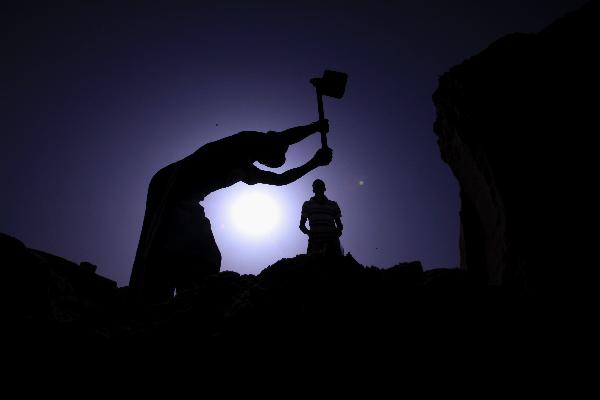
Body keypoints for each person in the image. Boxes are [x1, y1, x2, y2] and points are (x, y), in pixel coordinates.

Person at [130, 120, 332, 303]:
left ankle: (189, 300)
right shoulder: (247, 140)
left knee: (206, 256)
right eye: (278, 154)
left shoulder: (246, 170)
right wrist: (315, 127)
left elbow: (280, 179)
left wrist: (314, 163)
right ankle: (147, 301)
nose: (273, 162)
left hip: (189, 202)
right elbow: (285, 137)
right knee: (161, 249)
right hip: (170, 184)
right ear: (270, 144)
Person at [299, 179, 343, 256]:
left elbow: (339, 225)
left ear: (324, 188)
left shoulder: (333, 205)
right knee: (314, 266)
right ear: (313, 189)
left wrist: (337, 233)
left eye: (320, 186)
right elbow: (302, 225)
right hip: (315, 242)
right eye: (316, 186)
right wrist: (310, 234)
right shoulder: (307, 205)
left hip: (332, 242)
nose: (318, 188)